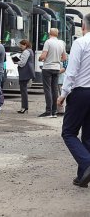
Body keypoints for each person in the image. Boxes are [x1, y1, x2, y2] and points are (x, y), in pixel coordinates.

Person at [58, 13, 90, 188]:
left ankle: (87, 163)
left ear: (83, 26)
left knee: (68, 132)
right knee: (88, 137)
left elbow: (71, 71)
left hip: (81, 92)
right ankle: (82, 176)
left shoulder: (81, 43)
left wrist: (63, 94)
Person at [38, 28, 67, 117]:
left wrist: (40, 58)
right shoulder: (61, 43)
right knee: (54, 90)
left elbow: (43, 56)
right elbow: (65, 58)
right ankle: (54, 111)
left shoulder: (48, 42)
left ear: (49, 33)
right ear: (57, 34)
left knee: (47, 89)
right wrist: (57, 60)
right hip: (57, 68)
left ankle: (48, 111)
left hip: (47, 68)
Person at [15, 39, 35, 114]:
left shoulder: (26, 52)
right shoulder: (31, 51)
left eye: (21, 45)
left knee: (23, 90)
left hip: (25, 72)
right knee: (24, 90)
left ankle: (24, 107)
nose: (20, 47)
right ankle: (24, 107)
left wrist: (16, 61)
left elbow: (22, 63)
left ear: (25, 45)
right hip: (28, 71)